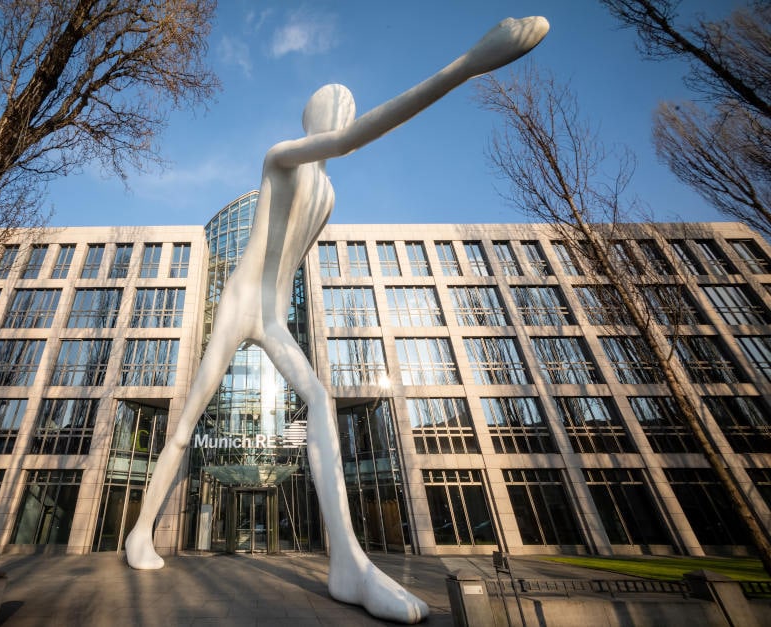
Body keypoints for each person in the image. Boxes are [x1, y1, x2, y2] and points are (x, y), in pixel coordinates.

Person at [125, 16, 549, 624]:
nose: (343, 113)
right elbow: (349, 143)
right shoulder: (280, 158)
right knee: (187, 423)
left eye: (348, 105)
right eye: (337, 105)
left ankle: (347, 562)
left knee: (321, 400)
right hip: (240, 304)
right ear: (314, 117)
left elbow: (303, 235)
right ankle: (140, 532)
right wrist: (467, 65)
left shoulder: (328, 196)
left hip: (273, 317)